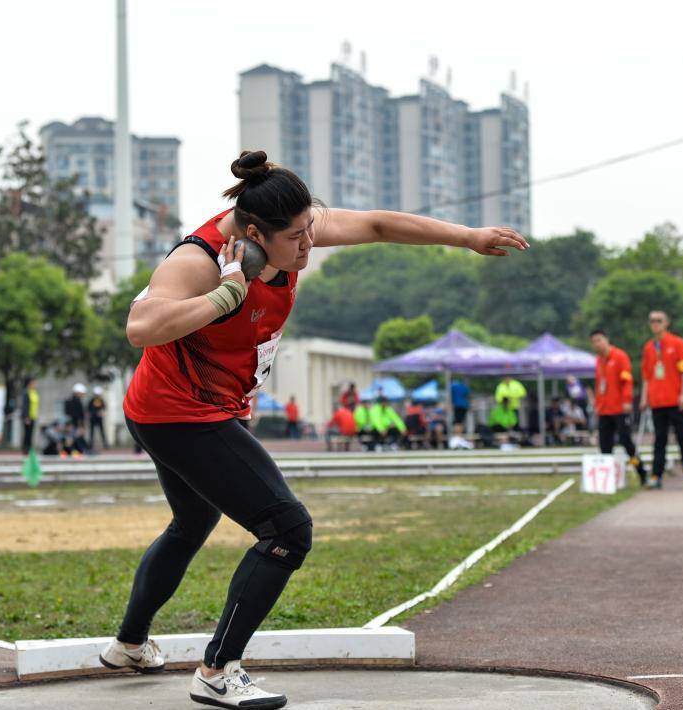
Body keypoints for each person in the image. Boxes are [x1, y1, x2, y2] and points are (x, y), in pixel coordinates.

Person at [101, 149, 528, 708]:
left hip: (194, 408)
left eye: (310, 232)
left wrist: (466, 236)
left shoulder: (287, 228)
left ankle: (130, 645)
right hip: (178, 412)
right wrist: (226, 294)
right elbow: (141, 327)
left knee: (191, 522)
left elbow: (377, 224)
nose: (309, 247)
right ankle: (217, 671)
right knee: (286, 530)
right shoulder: (200, 259)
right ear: (254, 234)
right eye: (296, 239)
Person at [640, 311, 683, 489]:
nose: (655, 324)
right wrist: (644, 398)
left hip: (675, 400)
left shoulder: (677, 343)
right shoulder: (649, 347)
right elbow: (646, 375)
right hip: (657, 401)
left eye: (659, 321)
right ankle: (656, 476)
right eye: (652, 321)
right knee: (659, 440)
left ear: (666, 323)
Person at [590, 329, 648, 484]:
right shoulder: (598, 361)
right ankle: (606, 480)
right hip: (604, 409)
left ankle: (641, 471)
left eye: (599, 340)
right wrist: (597, 404)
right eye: (594, 341)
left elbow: (627, 381)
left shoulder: (619, 356)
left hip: (619, 408)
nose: (597, 344)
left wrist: (627, 400)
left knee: (626, 442)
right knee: (604, 444)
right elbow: (598, 385)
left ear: (607, 339)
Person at [21, 377, 39, 455]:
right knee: (27, 434)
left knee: (31, 434)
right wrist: (26, 417)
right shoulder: (26, 392)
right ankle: (26, 450)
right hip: (28, 417)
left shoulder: (34, 392)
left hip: (33, 416)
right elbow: (25, 405)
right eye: (33, 382)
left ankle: (30, 450)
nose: (34, 384)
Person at [88, 386, 108, 450]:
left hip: (99, 419)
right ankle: (90, 445)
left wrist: (101, 412)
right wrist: (92, 413)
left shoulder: (101, 400)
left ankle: (105, 444)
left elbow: (104, 407)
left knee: (102, 432)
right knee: (92, 432)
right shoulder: (91, 401)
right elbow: (88, 409)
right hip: (93, 419)